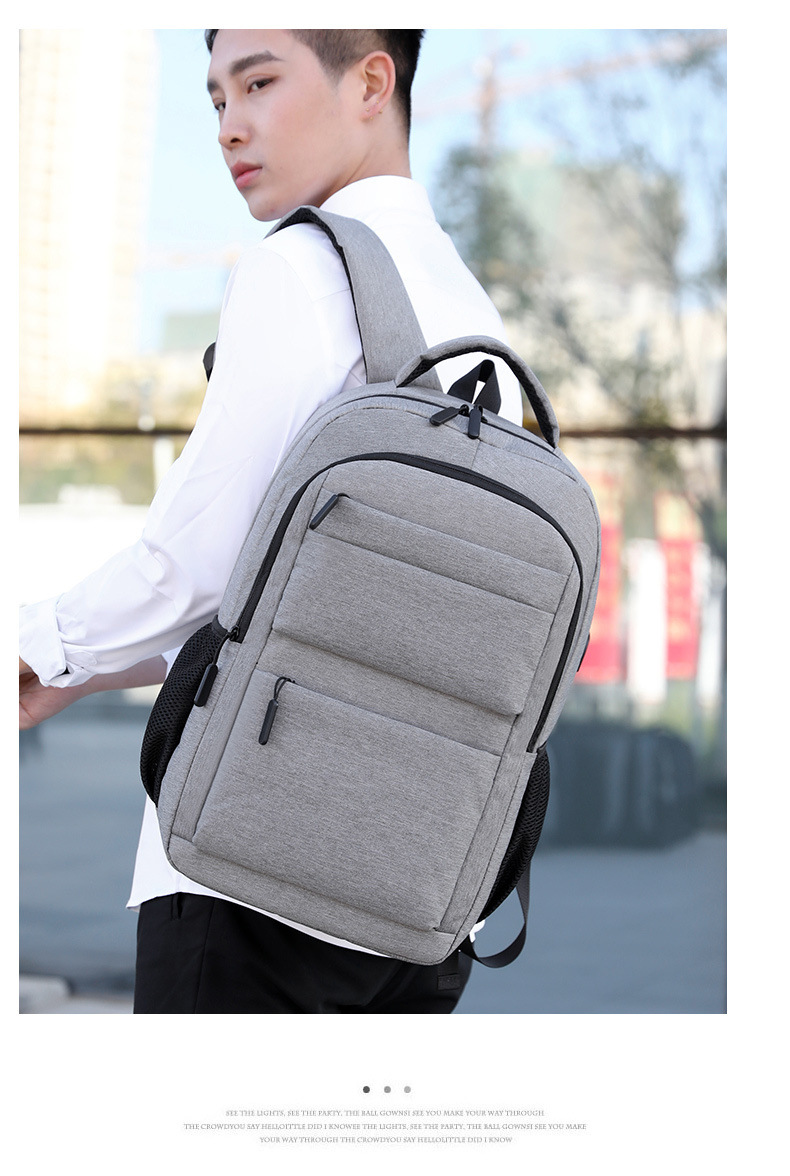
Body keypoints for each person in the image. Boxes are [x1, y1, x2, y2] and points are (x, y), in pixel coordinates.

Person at [19, 29, 524, 1014]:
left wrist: (37, 646)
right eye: (216, 99)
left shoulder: (302, 264)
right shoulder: (470, 307)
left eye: (258, 83)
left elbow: (196, 566)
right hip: (424, 889)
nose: (229, 126)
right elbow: (314, 608)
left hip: (254, 866)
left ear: (370, 81)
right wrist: (80, 675)